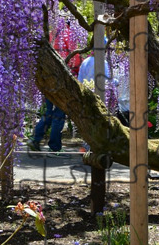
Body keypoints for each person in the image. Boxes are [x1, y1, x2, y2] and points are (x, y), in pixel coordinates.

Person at [27, 22, 81, 153]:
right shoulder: (69, 35)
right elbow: (76, 59)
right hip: (63, 81)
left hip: (48, 80)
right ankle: (55, 146)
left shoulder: (52, 34)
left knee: (49, 112)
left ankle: (35, 138)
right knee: (59, 114)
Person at [76, 54, 112, 152]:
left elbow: (79, 80)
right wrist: (116, 82)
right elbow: (107, 80)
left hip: (85, 94)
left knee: (88, 121)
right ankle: (95, 147)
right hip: (99, 96)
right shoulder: (103, 62)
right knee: (98, 121)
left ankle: (86, 146)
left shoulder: (85, 61)